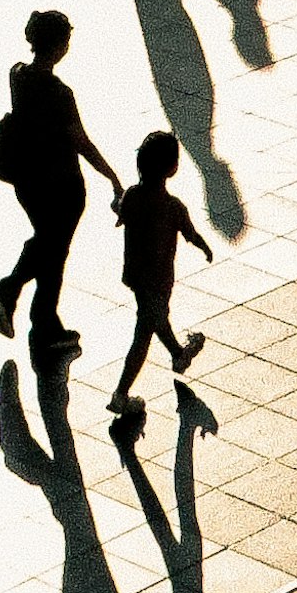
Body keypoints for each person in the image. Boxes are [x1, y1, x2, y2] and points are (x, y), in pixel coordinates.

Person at [0, 8, 124, 349]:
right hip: (60, 183)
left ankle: (43, 321)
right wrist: (112, 177)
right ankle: (15, 294)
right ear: (60, 45)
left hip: (26, 178)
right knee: (53, 248)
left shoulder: (17, 75)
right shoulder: (59, 92)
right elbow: (81, 141)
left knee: (47, 243)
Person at [108, 131, 213, 435]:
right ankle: (121, 393)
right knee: (144, 331)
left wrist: (118, 206)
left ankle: (178, 354)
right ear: (173, 168)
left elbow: (121, 213)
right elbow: (191, 234)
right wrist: (204, 247)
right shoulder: (174, 207)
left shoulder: (132, 196)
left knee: (154, 318)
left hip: (136, 277)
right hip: (160, 278)